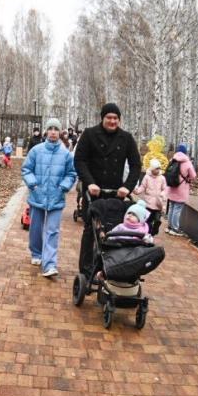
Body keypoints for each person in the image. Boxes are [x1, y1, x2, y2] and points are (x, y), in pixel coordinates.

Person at [73, 102, 142, 273]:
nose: (112, 121)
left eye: (115, 118)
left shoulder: (126, 138)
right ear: (102, 118)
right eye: (109, 117)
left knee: (115, 231)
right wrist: (89, 183)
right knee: (91, 229)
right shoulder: (89, 135)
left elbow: (135, 165)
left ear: (119, 120)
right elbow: (79, 161)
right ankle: (86, 269)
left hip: (115, 193)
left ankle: (111, 267)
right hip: (94, 192)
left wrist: (127, 187)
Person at [21, 118, 77, 277]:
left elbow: (72, 173)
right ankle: (36, 253)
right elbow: (26, 169)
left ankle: (50, 264)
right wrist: (33, 185)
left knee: (53, 231)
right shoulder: (36, 150)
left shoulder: (66, 154)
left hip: (56, 197)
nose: (53, 131)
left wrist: (63, 187)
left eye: (56, 129)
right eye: (50, 128)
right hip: (37, 196)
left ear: (60, 132)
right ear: (46, 131)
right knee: (36, 228)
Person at [165, 143, 197, 236]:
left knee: (171, 207)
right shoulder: (187, 162)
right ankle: (175, 229)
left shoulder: (172, 160)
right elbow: (193, 176)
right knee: (177, 209)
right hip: (181, 189)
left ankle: (169, 227)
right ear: (185, 152)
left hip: (171, 187)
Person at [134, 159, 168, 236]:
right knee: (148, 220)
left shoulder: (162, 178)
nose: (158, 170)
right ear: (152, 169)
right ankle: (148, 232)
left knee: (157, 220)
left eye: (159, 168)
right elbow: (143, 186)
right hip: (148, 203)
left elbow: (165, 189)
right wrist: (137, 191)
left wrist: (163, 194)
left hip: (158, 203)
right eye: (156, 168)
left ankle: (155, 228)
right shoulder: (147, 177)